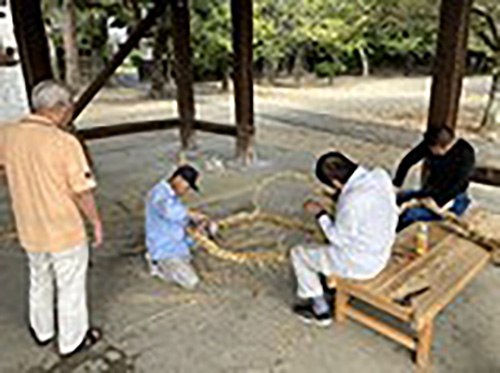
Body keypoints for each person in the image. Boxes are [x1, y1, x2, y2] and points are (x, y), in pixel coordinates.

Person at [0, 80, 103, 356]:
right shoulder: (64, 142)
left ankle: (42, 331)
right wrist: (95, 222)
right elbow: (82, 192)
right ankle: (72, 341)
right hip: (63, 229)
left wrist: (20, 178)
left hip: (29, 226)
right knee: (70, 286)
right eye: (69, 105)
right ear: (58, 108)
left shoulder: (7, 133)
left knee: (39, 277)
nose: (70, 112)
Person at [292, 152, 398, 326]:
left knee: (299, 254)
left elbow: (338, 238)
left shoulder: (351, 200)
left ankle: (320, 311)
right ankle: (326, 287)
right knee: (325, 246)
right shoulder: (381, 175)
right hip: (383, 251)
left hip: (364, 265)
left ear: (335, 183)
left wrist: (320, 213)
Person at [393, 127, 475, 232]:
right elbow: (408, 160)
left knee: (410, 214)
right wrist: (397, 184)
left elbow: (458, 185)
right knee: (399, 199)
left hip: (452, 198)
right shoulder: (431, 143)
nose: (430, 152)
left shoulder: (465, 153)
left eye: (432, 149)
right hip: (431, 191)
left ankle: (396, 236)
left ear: (442, 147)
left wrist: (433, 202)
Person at [145, 164, 208, 290]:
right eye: (187, 187)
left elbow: (179, 219)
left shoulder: (171, 195)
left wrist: (197, 226)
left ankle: (181, 258)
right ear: (178, 179)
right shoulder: (159, 194)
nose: (186, 191)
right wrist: (191, 214)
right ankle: (157, 267)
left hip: (179, 242)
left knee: (210, 229)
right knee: (191, 282)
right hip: (165, 250)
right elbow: (169, 211)